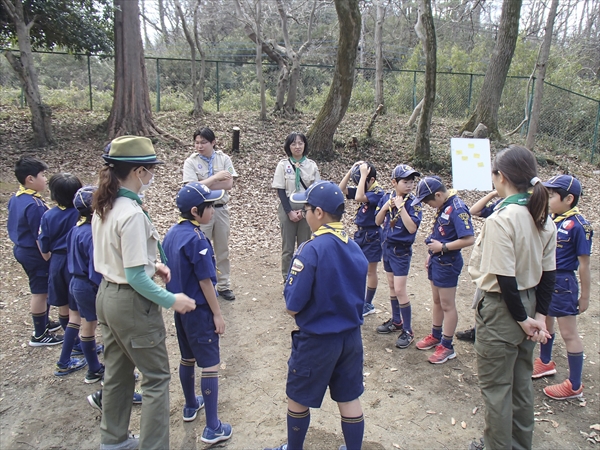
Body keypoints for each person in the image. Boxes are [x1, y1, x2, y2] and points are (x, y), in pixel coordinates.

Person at [92, 136, 196, 450]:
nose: (152, 175)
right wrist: (171, 299)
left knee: (118, 373)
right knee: (156, 378)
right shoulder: (133, 213)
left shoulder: (106, 204)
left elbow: (122, 257)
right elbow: (136, 278)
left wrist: (153, 265)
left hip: (106, 297)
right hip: (131, 305)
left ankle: (114, 439)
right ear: (138, 172)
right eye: (150, 169)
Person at [266, 181, 368, 450]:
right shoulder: (354, 246)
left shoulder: (310, 250)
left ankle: (294, 447)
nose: (304, 213)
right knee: (349, 397)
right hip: (351, 338)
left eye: (307, 208)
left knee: (298, 396)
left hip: (317, 340)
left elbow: (293, 305)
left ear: (319, 213)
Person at [468, 145, 556, 450]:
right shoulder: (542, 217)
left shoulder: (501, 219)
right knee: (521, 384)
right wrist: (539, 318)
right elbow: (549, 274)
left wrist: (522, 320)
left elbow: (505, 279)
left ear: (500, 176)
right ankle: (520, 444)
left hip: (504, 310)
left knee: (497, 389)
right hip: (531, 304)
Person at [163, 181, 233, 444]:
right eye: (210, 206)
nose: (213, 210)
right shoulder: (197, 239)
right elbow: (206, 281)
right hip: (200, 311)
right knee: (210, 365)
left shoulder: (173, 233)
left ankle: (191, 405)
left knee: (187, 358)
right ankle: (213, 427)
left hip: (180, 309)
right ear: (195, 211)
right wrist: (217, 314)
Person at [533, 175, 592, 400]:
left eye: (551, 195)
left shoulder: (578, 226)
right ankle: (545, 362)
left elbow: (585, 265)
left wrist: (585, 297)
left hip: (563, 283)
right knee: (545, 321)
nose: (547, 199)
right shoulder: (552, 219)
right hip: (546, 280)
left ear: (569, 198)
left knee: (569, 333)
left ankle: (575, 385)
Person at [413, 176, 475, 364]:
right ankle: (436, 334)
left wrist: (444, 248)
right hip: (437, 261)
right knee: (437, 301)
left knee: (447, 304)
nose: (427, 205)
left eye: (427, 201)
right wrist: (431, 254)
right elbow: (439, 233)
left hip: (448, 262)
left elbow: (469, 239)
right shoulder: (444, 205)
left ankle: (447, 346)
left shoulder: (457, 208)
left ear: (438, 194)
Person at [7, 157, 62, 346]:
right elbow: (40, 236)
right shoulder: (34, 205)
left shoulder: (17, 197)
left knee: (42, 288)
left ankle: (45, 322)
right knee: (40, 291)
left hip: (21, 249)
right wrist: (48, 257)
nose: (45, 179)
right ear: (30, 179)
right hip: (33, 253)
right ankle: (39, 334)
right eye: (42, 175)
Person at [38, 173, 88, 376]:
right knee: (77, 314)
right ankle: (64, 360)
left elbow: (43, 245)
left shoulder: (48, 215)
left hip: (56, 263)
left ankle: (77, 343)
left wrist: (53, 262)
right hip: (73, 263)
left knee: (64, 308)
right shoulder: (80, 215)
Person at [182, 127, 238, 301]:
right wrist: (215, 178)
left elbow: (228, 184)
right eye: (197, 142)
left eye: (203, 142)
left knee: (222, 249)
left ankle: (223, 284)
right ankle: (203, 285)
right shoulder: (191, 162)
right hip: (200, 212)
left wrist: (203, 184)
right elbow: (190, 188)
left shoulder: (224, 159)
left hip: (220, 209)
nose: (199, 146)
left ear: (213, 142)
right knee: (201, 250)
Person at [374, 165, 423, 349]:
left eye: (412, 182)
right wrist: (387, 206)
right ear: (394, 182)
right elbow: (377, 221)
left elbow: (412, 228)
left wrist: (401, 208)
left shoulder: (414, 203)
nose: (409, 185)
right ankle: (396, 321)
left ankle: (408, 330)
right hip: (387, 247)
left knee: (401, 289)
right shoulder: (387, 197)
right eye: (405, 182)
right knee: (392, 286)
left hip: (401, 250)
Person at [67, 186, 105, 383]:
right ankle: (95, 369)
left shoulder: (75, 228)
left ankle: (94, 367)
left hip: (75, 282)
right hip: (89, 284)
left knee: (87, 324)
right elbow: (96, 268)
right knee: (97, 324)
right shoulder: (91, 234)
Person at [272, 132, 321, 281]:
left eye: (300, 143)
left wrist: (304, 211)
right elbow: (280, 190)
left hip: (307, 210)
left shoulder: (311, 165)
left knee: (305, 246)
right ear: (288, 146)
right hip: (287, 209)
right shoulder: (283, 165)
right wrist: (289, 212)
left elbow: (315, 190)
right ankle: (287, 278)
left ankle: (303, 278)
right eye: (293, 144)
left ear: (305, 145)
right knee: (287, 248)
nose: (297, 146)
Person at [455, 190, 502, 343]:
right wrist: (494, 194)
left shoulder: (523, 208)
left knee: (496, 300)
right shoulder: (501, 205)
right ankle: (477, 330)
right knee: (482, 297)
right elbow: (473, 211)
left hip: (503, 261)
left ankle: (489, 336)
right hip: (489, 259)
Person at [339, 161, 384, 317]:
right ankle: (357, 300)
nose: (359, 185)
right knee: (356, 267)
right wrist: (352, 171)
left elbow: (359, 197)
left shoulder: (378, 191)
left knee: (370, 271)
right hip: (361, 234)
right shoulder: (365, 187)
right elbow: (341, 189)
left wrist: (364, 174)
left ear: (371, 180)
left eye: (362, 182)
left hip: (373, 235)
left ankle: (368, 303)